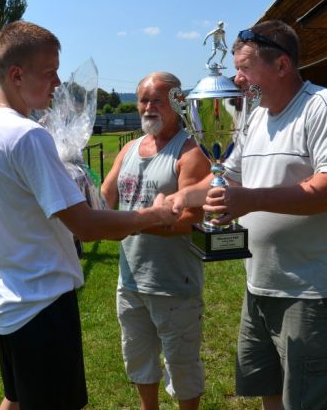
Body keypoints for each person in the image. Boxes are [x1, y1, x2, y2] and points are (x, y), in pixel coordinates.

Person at [0, 21, 177, 410]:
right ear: (16, 75)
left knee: (16, 398)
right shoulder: (26, 136)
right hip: (40, 304)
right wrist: (153, 214)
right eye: (49, 73)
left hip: (5, 299)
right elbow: (88, 226)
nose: (58, 83)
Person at [168, 20, 327, 410]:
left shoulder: (326, 108)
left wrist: (249, 200)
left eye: (244, 68)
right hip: (260, 285)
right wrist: (177, 198)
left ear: (281, 66)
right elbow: (226, 177)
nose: (237, 79)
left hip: (309, 291)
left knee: (306, 402)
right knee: (268, 392)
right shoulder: (255, 117)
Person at [100, 71, 211, 410]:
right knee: (138, 361)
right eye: (143, 100)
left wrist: (132, 225)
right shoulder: (130, 149)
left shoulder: (190, 153)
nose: (148, 107)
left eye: (157, 101)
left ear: (177, 103)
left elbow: (193, 219)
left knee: (182, 367)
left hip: (173, 281)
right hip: (131, 279)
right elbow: (105, 199)